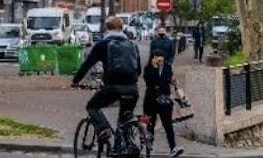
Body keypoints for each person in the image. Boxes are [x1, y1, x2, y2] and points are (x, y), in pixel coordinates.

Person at [71, 15, 142, 146]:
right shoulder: (132, 44)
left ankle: (104, 129)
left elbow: (87, 65)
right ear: (122, 28)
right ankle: (126, 147)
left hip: (113, 87)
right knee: (124, 120)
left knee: (92, 106)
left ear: (106, 28)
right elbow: (138, 70)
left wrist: (76, 81)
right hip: (132, 89)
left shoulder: (103, 44)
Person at [143, 49, 184, 157]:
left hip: (165, 100)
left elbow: (168, 79)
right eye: (158, 57)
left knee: (168, 125)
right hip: (152, 101)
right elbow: (149, 81)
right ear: (153, 58)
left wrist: (173, 81)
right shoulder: (148, 69)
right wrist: (155, 68)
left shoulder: (167, 67)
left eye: (162, 57)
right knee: (150, 125)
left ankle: (173, 148)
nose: (160, 59)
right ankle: (149, 148)